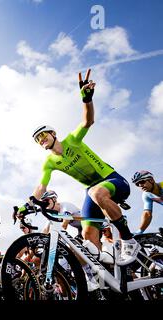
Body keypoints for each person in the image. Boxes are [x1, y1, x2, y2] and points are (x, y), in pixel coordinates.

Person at [30, 69, 139, 266]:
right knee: (87, 238)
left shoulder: (73, 140)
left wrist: (86, 99)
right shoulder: (50, 162)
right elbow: (41, 187)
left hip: (113, 181)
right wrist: (28, 204)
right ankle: (97, 277)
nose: (42, 140)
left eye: (44, 135)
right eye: (38, 140)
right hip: (93, 192)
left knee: (97, 192)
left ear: (53, 133)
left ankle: (128, 239)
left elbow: (88, 121)